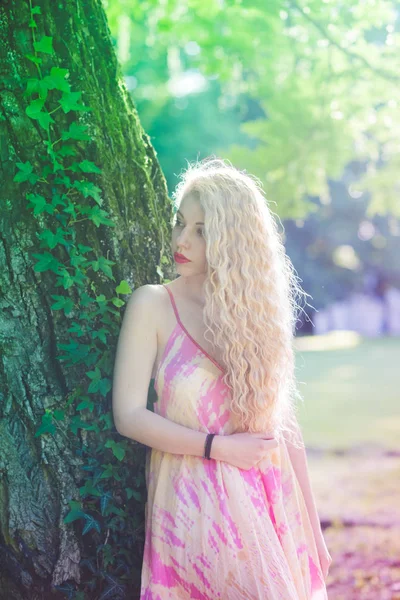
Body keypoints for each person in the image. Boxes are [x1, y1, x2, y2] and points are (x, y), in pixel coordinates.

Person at [112, 157, 331, 599]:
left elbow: (284, 429)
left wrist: (313, 528)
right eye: (180, 224)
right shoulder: (152, 305)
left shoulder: (255, 318)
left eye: (201, 230)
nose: (181, 240)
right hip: (190, 514)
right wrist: (219, 448)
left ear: (233, 240)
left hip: (268, 504)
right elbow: (129, 416)